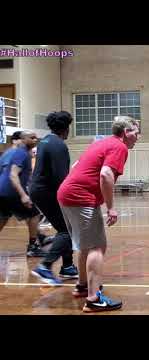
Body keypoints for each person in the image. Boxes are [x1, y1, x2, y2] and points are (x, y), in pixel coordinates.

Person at [57, 116, 140, 312]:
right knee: (97, 246)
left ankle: (82, 286)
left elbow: (76, 166)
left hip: (66, 194)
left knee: (85, 246)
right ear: (126, 132)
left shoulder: (102, 143)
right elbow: (105, 174)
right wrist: (111, 207)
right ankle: (93, 299)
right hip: (80, 197)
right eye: (136, 133)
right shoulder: (119, 147)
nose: (138, 137)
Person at [30, 111, 79, 284]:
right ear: (66, 128)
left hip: (38, 189)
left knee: (64, 227)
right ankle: (45, 266)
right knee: (67, 229)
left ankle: (67, 267)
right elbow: (60, 177)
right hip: (47, 191)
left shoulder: (45, 140)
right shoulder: (58, 145)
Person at [0, 130, 47, 257]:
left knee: (3, 218)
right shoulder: (20, 153)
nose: (35, 140)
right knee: (34, 214)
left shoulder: (14, 153)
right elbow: (13, 175)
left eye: (36, 138)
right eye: (31, 137)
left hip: (3, 191)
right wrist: (23, 195)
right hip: (12, 191)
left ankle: (40, 237)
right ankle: (33, 246)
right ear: (22, 139)